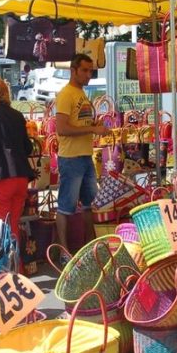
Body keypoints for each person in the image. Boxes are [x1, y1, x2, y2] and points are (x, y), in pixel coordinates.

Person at [54, 54, 104, 249]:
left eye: (91, 71)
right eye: (84, 70)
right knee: (66, 207)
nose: (88, 74)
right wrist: (92, 128)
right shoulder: (66, 94)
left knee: (90, 204)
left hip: (84, 156)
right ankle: (64, 250)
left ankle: (91, 246)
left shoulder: (80, 93)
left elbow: (77, 123)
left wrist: (92, 125)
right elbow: (62, 128)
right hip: (71, 158)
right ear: (73, 70)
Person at [0, 75, 35, 242]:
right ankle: (16, 258)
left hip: (1, 178)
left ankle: (8, 259)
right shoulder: (17, 115)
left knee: (2, 228)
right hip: (21, 177)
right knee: (13, 225)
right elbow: (28, 148)